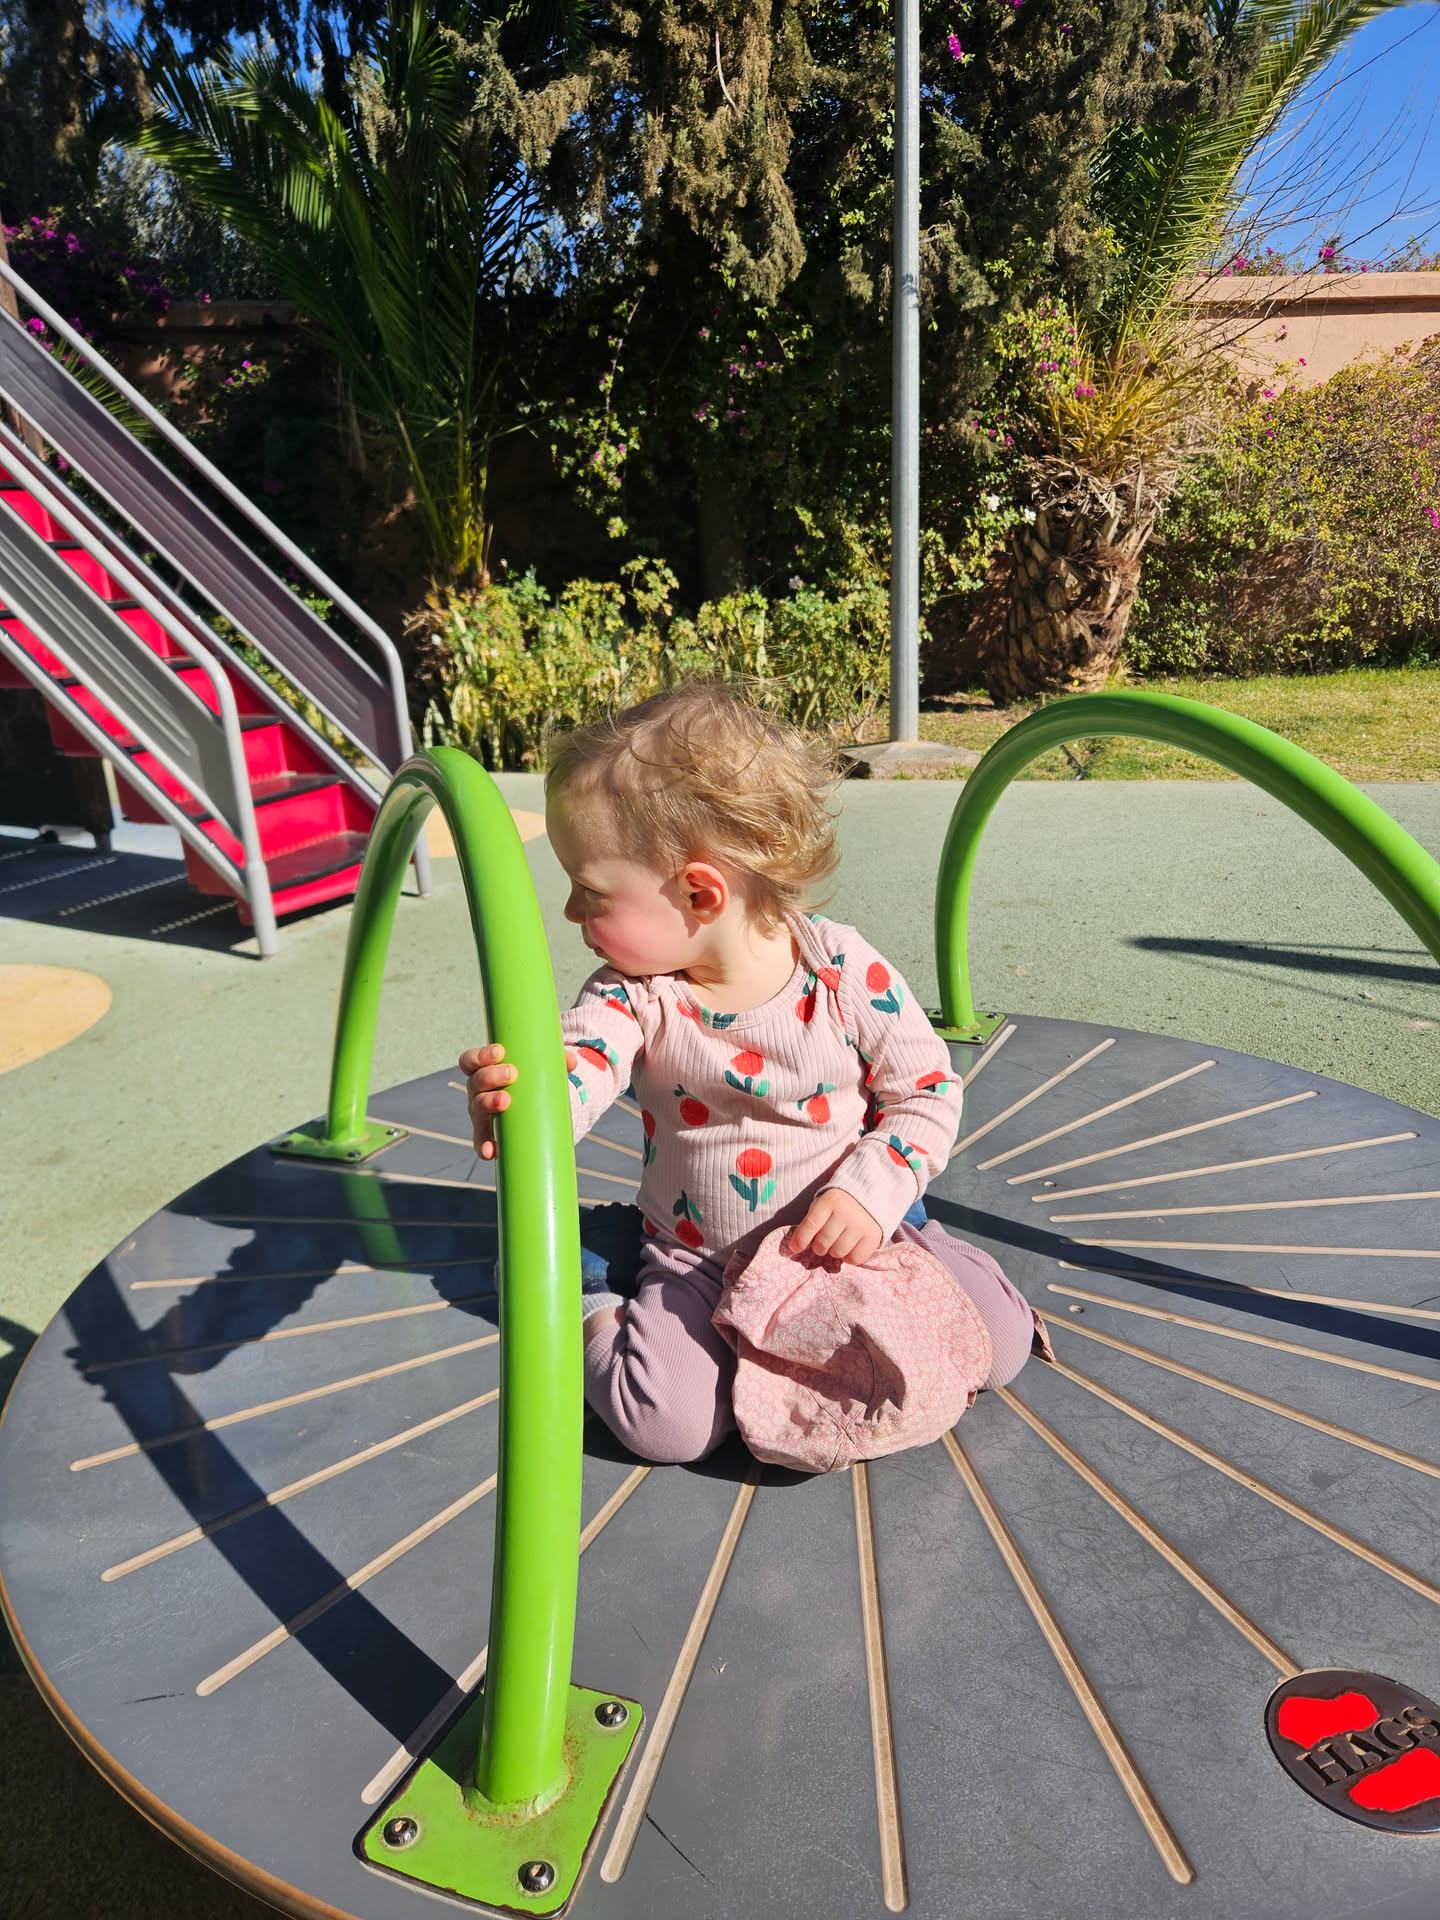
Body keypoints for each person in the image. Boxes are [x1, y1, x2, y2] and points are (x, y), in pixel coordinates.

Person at [461, 684, 1036, 1463]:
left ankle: (926, 1238)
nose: (570, 912)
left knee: (999, 1349)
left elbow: (926, 1092)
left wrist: (875, 1192)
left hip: (843, 1234)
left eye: (589, 891)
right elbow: (581, 1065)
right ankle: (587, 1282)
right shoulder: (635, 995)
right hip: (699, 1255)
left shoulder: (840, 969)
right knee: (669, 1426)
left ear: (699, 892)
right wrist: (525, 1108)